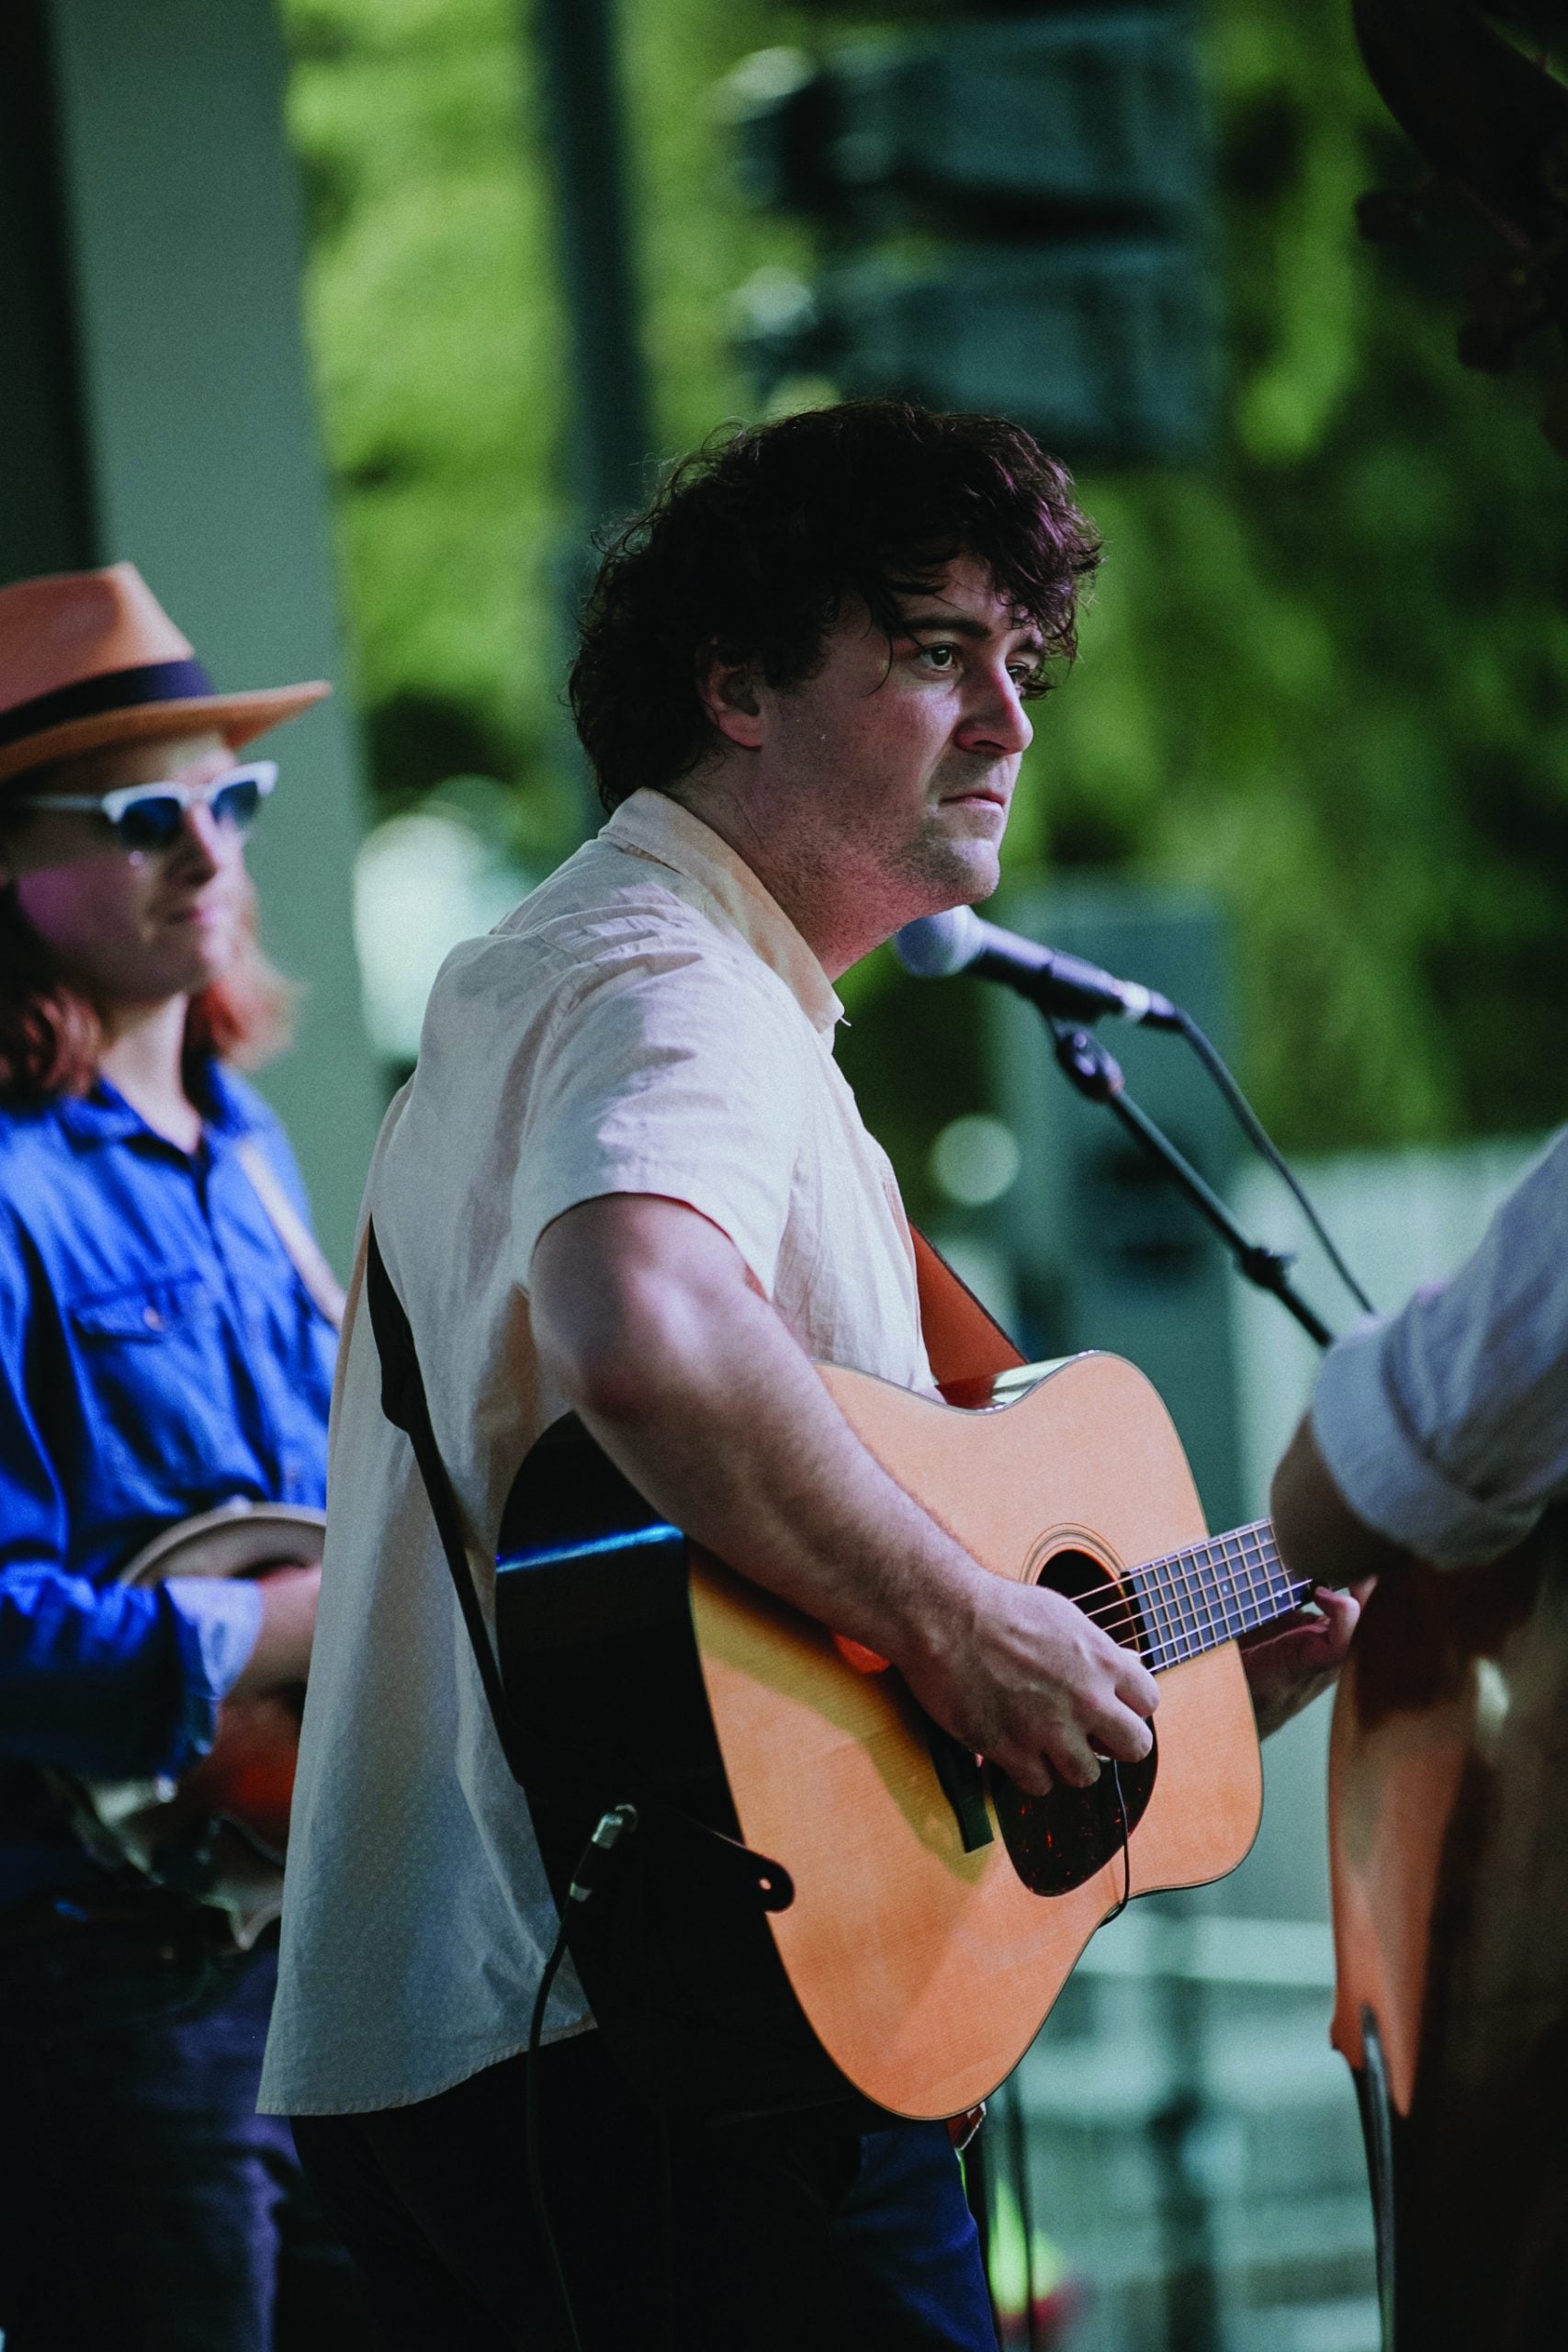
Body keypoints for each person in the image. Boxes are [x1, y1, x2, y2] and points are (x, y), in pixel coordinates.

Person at [263, 400, 1351, 2350]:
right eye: (935, 653)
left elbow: (778, 1630)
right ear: (737, 684)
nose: (1008, 720)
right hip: (639, 2051)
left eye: (1019, 663)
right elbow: (642, 1328)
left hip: (499, 2042)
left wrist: (1149, 1680)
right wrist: (957, 1618)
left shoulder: (670, 988)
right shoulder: (668, 980)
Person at [0, 563, 367, 2351]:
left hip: (308, 1940)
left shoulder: (254, 1148)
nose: (208, 846)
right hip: (102, 1987)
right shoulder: (6, 1186)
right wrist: (281, 1623)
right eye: (145, 812)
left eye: (235, 797)